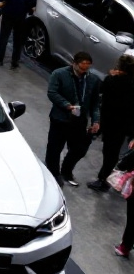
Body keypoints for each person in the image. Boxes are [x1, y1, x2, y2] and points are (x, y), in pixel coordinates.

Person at [45, 51, 101, 185]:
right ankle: (53, 173)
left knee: (79, 148)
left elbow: (95, 104)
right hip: (60, 118)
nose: (84, 69)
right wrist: (67, 105)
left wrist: (96, 120)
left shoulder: (93, 80)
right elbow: (52, 92)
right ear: (74, 63)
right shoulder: (59, 74)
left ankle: (66, 170)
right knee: (54, 148)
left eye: (87, 66)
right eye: (82, 66)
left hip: (79, 121)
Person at [91, 52, 134, 191]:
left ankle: (104, 179)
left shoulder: (112, 80)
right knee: (115, 152)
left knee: (109, 153)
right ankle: (121, 179)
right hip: (125, 124)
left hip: (111, 122)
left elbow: (102, 92)